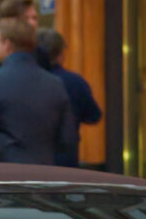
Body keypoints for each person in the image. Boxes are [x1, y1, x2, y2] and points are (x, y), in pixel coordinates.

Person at [0, 18, 75, 166]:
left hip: (4, 172)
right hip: (45, 171)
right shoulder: (55, 84)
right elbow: (67, 139)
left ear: (6, 44)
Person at [36, 29, 102, 169]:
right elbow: (94, 116)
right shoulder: (75, 82)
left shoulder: (28, 81)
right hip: (66, 160)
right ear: (60, 54)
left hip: (32, 161)